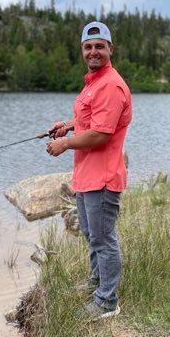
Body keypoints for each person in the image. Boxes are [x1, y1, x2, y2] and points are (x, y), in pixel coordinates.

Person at [46, 21, 132, 320]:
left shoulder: (110, 85)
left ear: (110, 48)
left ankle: (107, 301)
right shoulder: (94, 82)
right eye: (88, 46)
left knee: (103, 239)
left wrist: (66, 143)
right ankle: (97, 282)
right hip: (86, 176)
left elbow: (100, 134)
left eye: (99, 46)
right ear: (82, 50)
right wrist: (67, 125)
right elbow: (89, 118)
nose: (93, 51)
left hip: (103, 178)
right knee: (90, 234)